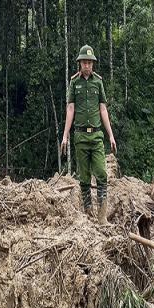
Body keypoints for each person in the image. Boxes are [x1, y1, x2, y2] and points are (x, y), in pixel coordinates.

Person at [61, 45, 117, 226]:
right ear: (80, 64)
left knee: (101, 173)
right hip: (80, 136)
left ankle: (102, 217)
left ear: (93, 64)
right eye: (84, 62)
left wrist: (110, 135)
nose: (87, 65)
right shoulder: (74, 83)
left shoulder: (98, 82)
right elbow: (70, 108)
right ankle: (87, 213)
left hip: (96, 136)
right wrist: (65, 135)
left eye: (90, 62)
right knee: (84, 177)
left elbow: (103, 109)